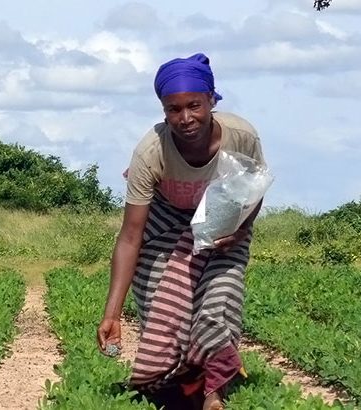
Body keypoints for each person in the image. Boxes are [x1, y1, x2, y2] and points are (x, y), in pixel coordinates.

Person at [96, 53, 266, 410]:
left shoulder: (242, 136)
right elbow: (130, 236)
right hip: (164, 223)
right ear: (163, 110)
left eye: (195, 105)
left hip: (224, 224)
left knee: (218, 299)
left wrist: (240, 231)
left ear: (211, 101)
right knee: (166, 307)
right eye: (174, 109)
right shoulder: (151, 151)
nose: (185, 118)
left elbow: (255, 188)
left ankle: (212, 392)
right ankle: (175, 384)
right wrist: (112, 313)